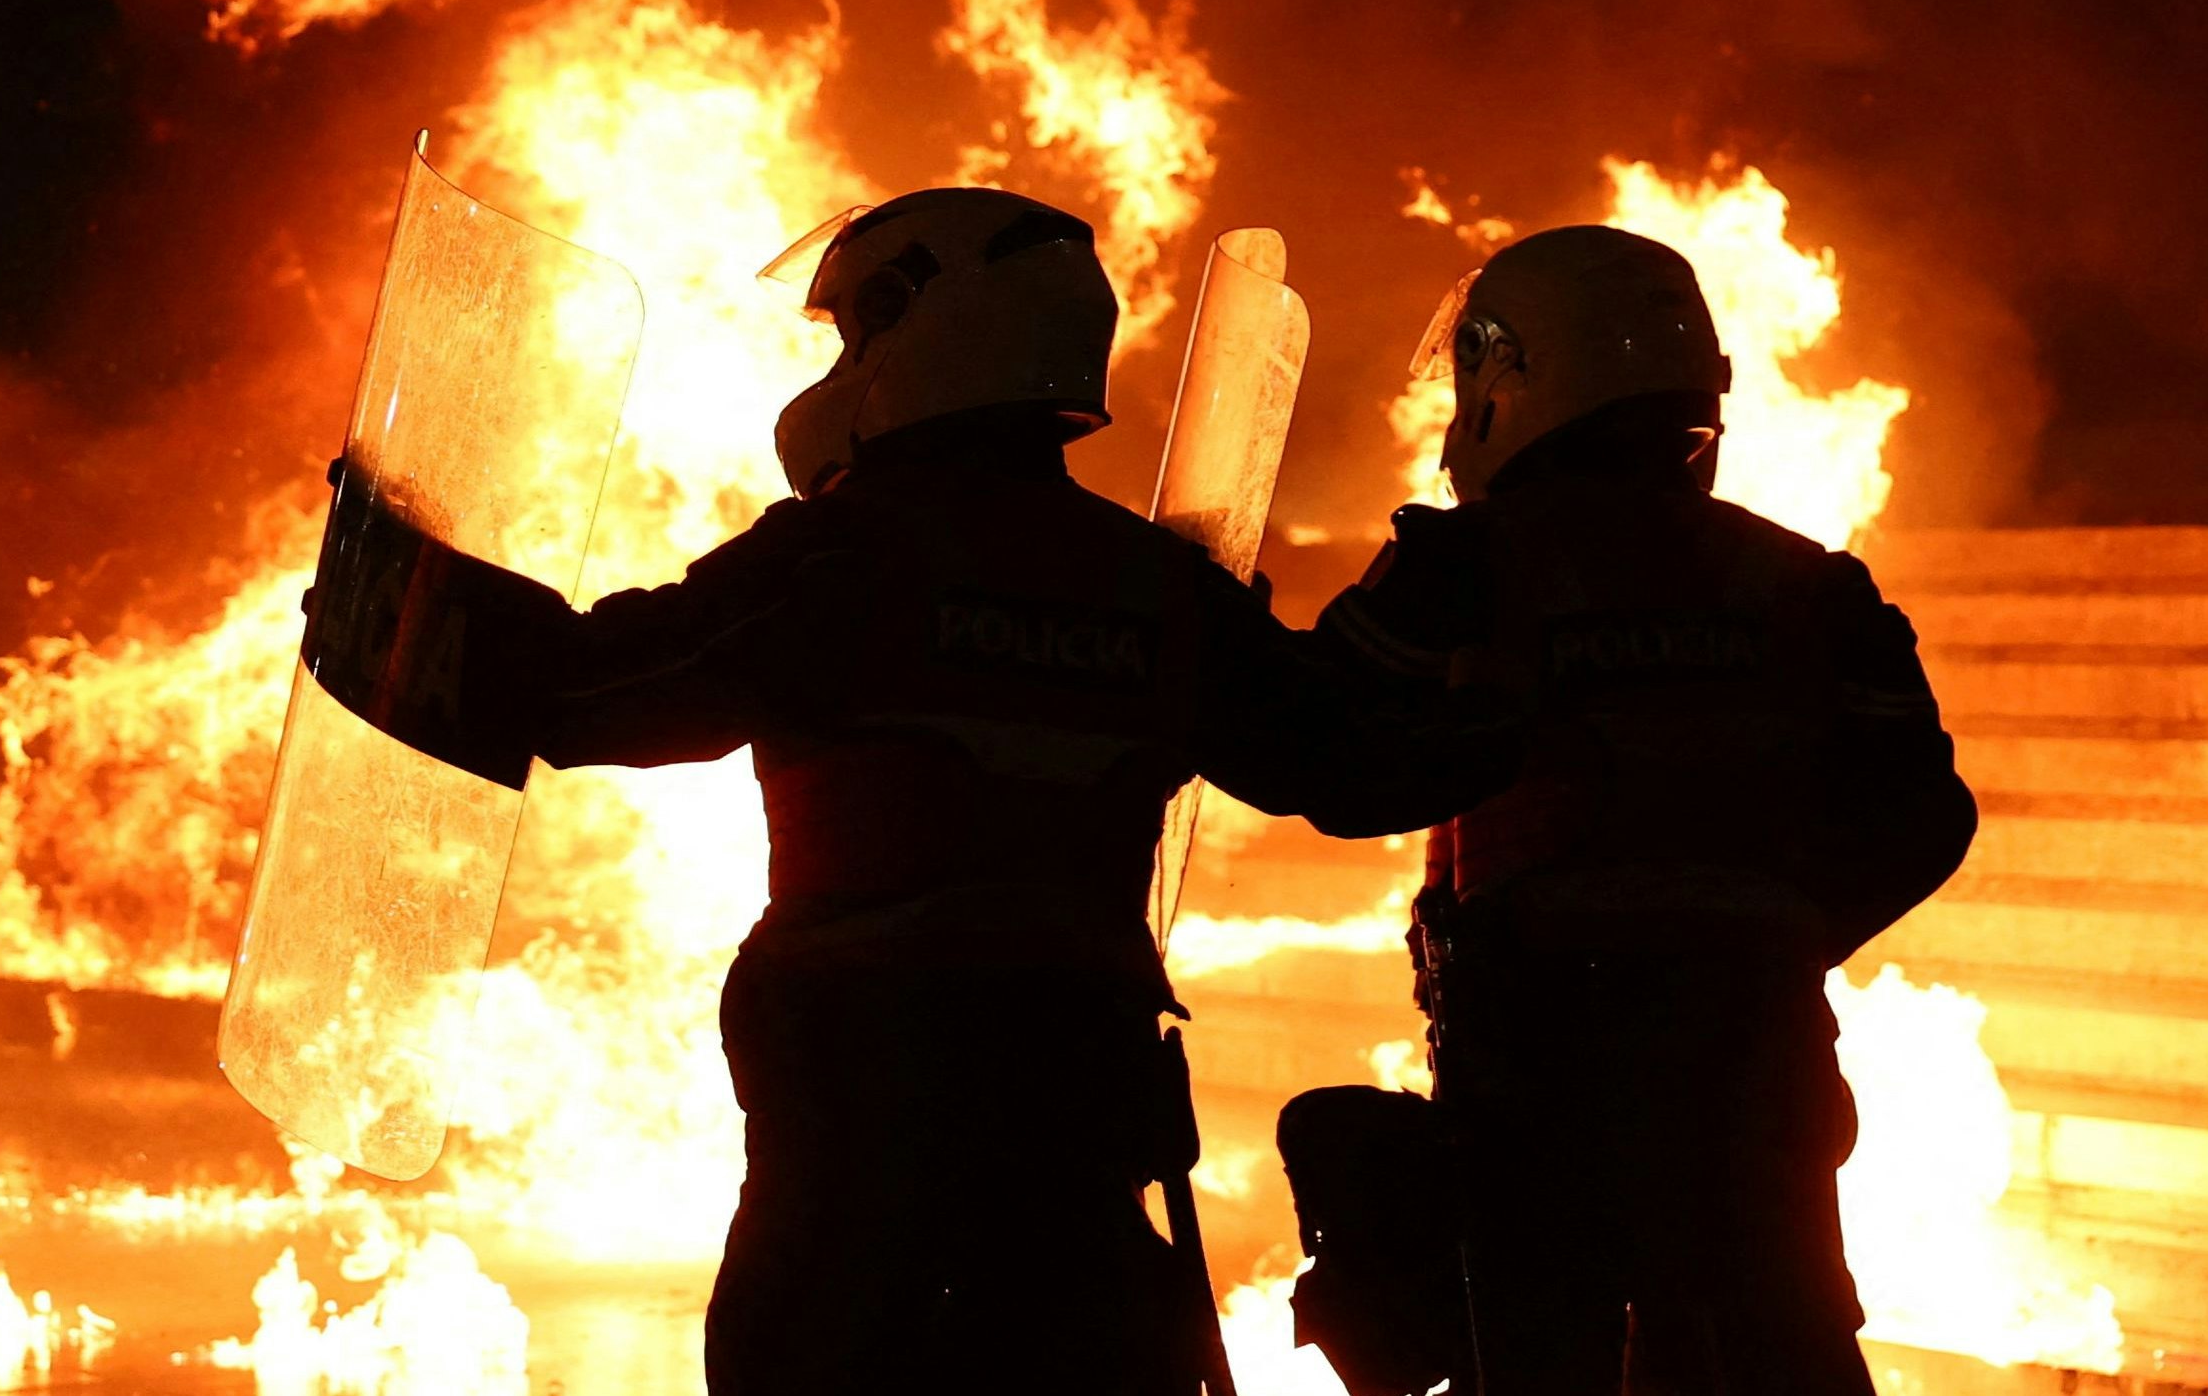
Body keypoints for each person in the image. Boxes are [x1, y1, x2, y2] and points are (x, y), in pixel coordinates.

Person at [436, 188, 1475, 1396]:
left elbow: (597, 694)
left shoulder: (846, 560)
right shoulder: (1156, 590)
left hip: (860, 1152)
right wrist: (1441, 623)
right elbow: (1346, 765)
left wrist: (411, 601)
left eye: (850, 333)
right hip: (1078, 1143)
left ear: (910, 325)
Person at [1288, 225, 1976, 1396]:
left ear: (1510, 381)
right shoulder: (1809, 582)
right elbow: (1926, 815)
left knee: (1542, 1359)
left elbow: (1321, 761)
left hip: (1538, 1068)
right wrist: (1782, 927)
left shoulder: (1463, 568)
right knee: (1784, 1349)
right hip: (1756, 1063)